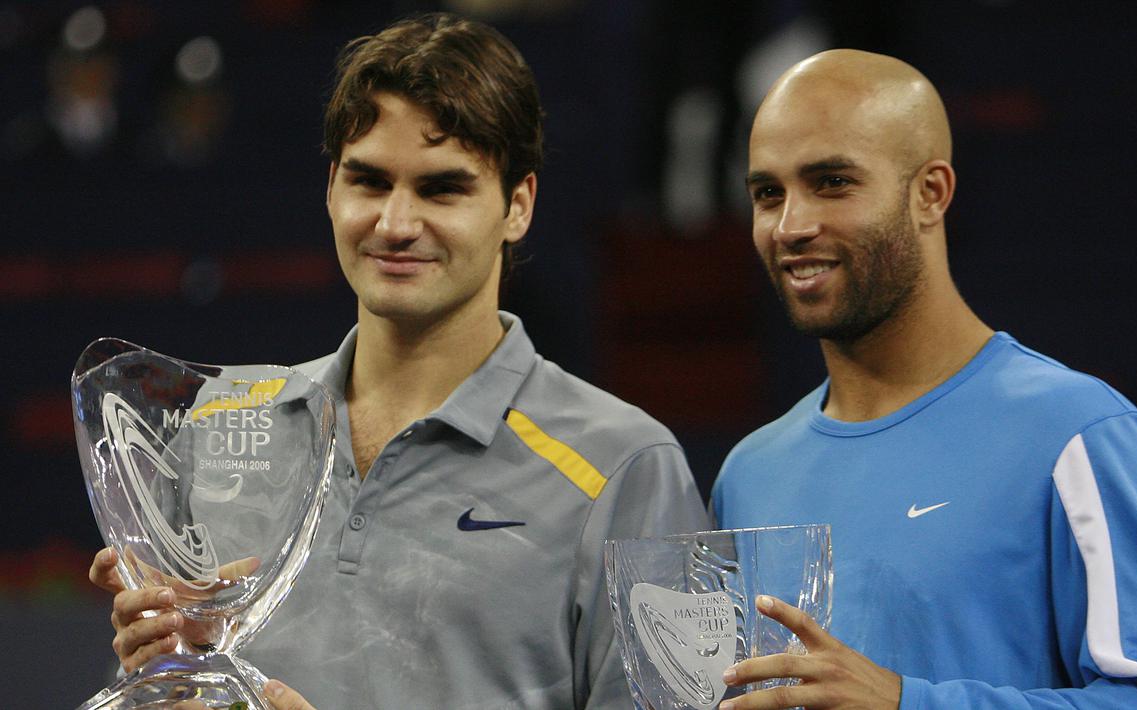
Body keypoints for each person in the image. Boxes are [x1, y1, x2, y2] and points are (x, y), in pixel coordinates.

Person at [88, 13, 707, 709]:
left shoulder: (627, 469)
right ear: (331, 189)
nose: (395, 224)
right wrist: (167, 667)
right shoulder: (221, 429)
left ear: (518, 206)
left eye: (442, 188)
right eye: (370, 181)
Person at [709, 49, 1137, 709]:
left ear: (930, 193)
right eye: (767, 193)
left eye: (832, 182)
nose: (791, 226)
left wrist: (906, 703)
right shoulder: (748, 473)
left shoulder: (1076, 435)